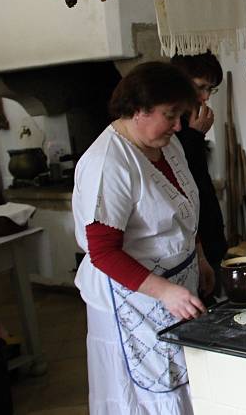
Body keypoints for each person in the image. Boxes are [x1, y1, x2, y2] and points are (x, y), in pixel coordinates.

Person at [72, 62, 215, 415]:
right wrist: (165, 291)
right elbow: (103, 252)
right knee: (150, 394)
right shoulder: (110, 163)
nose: (179, 125)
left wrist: (199, 256)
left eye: (181, 115)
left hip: (175, 286)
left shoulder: (167, 144)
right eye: (171, 115)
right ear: (137, 110)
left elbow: (181, 209)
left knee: (182, 380)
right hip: (133, 298)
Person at [171, 52, 227, 299]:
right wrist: (194, 137)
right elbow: (180, 179)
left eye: (210, 89)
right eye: (200, 87)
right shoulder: (171, 128)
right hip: (190, 241)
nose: (205, 97)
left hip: (207, 233)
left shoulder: (190, 122)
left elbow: (198, 182)